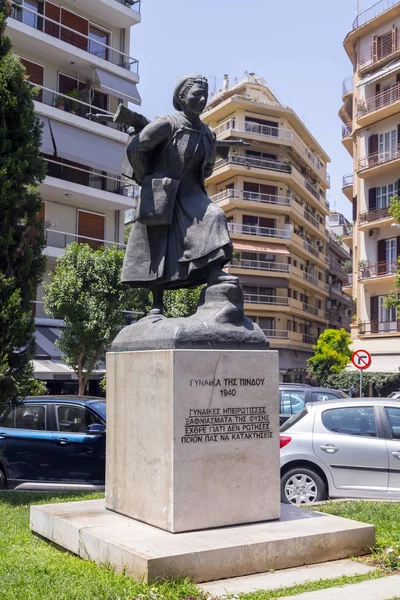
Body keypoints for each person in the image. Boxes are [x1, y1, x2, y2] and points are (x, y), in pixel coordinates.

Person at [121, 75, 233, 314]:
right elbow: (137, 147)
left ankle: (213, 274)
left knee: (216, 216)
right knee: (159, 242)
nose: (202, 99)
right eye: (196, 95)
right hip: (164, 192)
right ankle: (156, 304)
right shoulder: (167, 123)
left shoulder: (208, 134)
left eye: (205, 95)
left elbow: (208, 168)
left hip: (193, 194)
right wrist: (148, 179)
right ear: (182, 97)